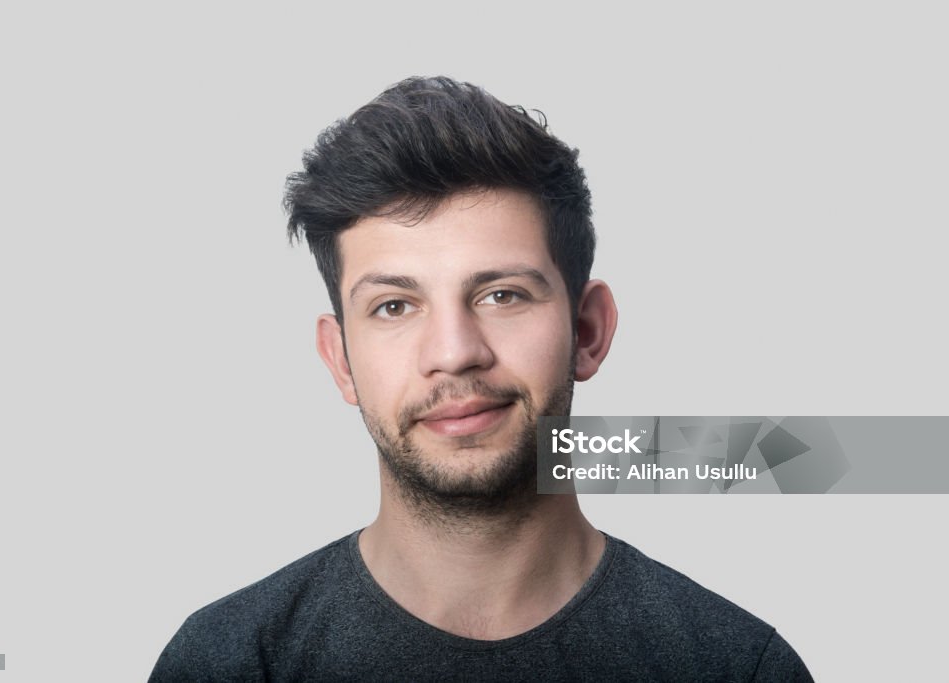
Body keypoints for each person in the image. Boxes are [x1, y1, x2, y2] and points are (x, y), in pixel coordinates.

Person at [149, 76, 812, 682]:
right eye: (394, 306)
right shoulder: (229, 663)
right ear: (340, 359)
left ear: (588, 330)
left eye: (502, 295)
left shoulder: (736, 668)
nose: (455, 352)